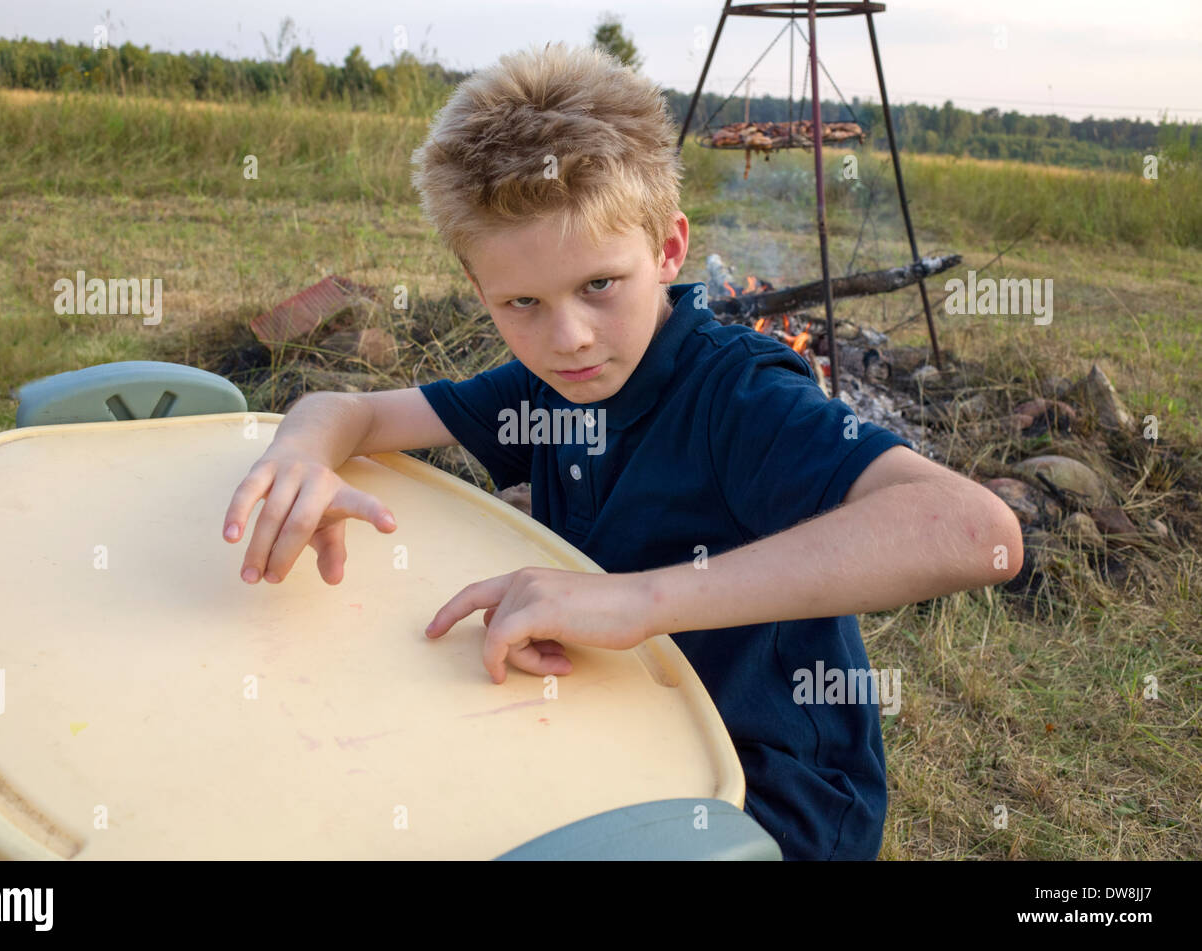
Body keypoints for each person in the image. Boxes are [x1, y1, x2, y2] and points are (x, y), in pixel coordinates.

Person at [222, 42, 1022, 860]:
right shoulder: (547, 388)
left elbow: (975, 530)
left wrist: (637, 602)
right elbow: (347, 410)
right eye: (522, 301)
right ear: (480, 288)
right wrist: (302, 454)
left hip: (757, 806)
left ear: (670, 250)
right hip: (595, 737)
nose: (567, 338)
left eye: (600, 285)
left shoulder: (737, 395)